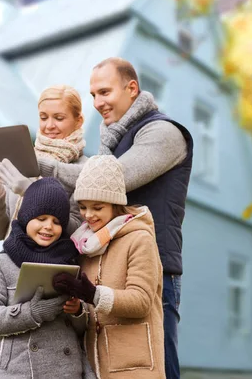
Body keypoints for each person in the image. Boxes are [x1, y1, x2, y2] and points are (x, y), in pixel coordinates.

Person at [38, 58, 192, 378]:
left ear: (132, 88)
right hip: (107, 273)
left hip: (152, 270)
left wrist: (42, 167)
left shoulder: (163, 133)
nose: (97, 103)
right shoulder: (113, 141)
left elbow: (110, 179)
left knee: (154, 366)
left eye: (104, 92)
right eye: (93, 95)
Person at [53, 155, 165, 378]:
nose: (88, 215)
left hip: (136, 367)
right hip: (97, 366)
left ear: (115, 204)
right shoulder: (87, 245)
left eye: (97, 207)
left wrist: (93, 294)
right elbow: (92, 312)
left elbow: (141, 301)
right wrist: (78, 308)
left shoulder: (139, 239)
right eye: (83, 207)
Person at [0, 178, 95, 378]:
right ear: (26, 217)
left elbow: (82, 329)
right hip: (19, 372)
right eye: (41, 218)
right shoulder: (0, 263)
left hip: (68, 371)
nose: (49, 226)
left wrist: (77, 312)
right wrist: (32, 312)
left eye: (57, 222)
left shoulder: (71, 262)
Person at [0, 85, 88, 240]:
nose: (49, 125)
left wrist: (32, 194)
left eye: (59, 118)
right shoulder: (21, 161)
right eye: (43, 117)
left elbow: (77, 230)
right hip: (12, 261)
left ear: (78, 121)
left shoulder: (85, 169)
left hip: (55, 263)